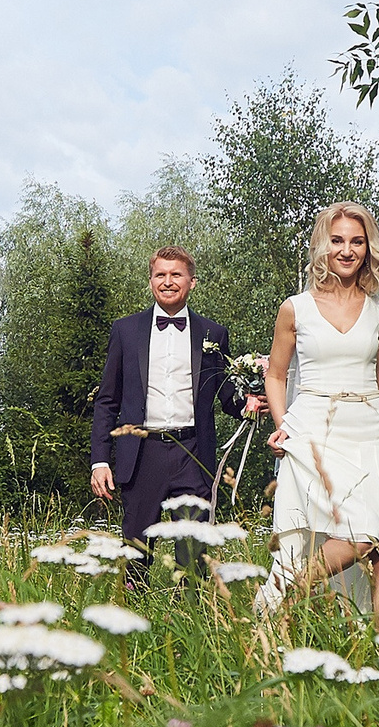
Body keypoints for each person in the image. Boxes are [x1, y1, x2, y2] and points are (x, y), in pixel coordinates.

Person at [257, 201, 379, 620]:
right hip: (316, 432)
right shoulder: (295, 308)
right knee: (359, 537)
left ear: (368, 248)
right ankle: (285, 596)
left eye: (357, 241)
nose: (347, 250)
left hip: (374, 432)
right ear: (323, 247)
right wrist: (283, 425)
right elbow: (276, 375)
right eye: (338, 241)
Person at [89, 247, 263, 581]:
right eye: (160, 275)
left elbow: (226, 394)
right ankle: (134, 626)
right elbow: (107, 401)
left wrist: (249, 405)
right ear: (151, 280)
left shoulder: (214, 334)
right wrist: (100, 461)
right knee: (137, 552)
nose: (168, 282)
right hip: (141, 454)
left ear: (192, 282)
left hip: (193, 454)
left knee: (194, 555)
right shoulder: (125, 331)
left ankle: (194, 624)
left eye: (176, 275)